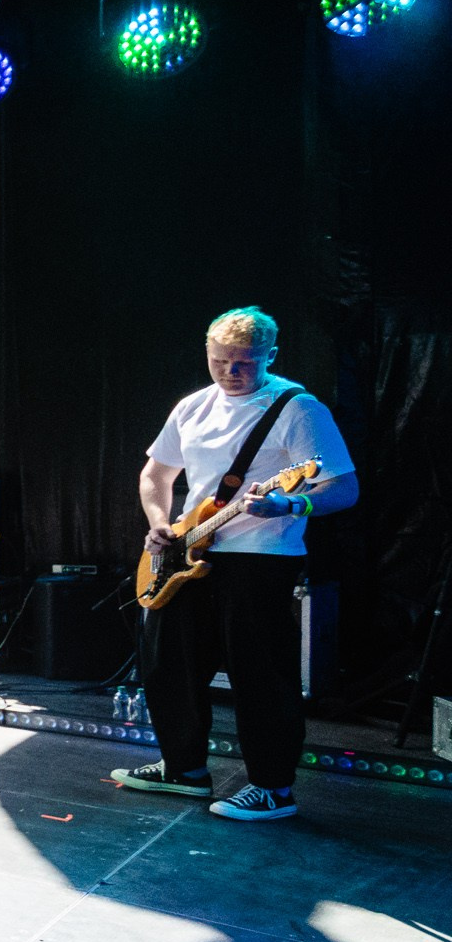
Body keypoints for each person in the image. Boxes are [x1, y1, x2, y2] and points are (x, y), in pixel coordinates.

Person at [114, 307, 357, 821]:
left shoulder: (297, 409)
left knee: (259, 674)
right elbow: (155, 476)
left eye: (244, 362)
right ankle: (183, 769)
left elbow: (342, 486)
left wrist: (291, 504)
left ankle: (272, 788)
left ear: (271, 355)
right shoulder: (192, 406)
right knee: (169, 666)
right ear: (207, 353)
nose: (231, 372)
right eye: (221, 361)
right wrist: (160, 523)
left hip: (259, 559)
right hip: (186, 552)